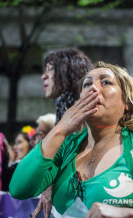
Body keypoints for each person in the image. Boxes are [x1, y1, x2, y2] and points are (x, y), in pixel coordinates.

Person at [10, 61, 133, 218]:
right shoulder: (68, 144)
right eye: (87, 84)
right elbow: (19, 189)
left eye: (106, 82)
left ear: (126, 102)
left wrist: (128, 214)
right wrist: (59, 130)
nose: (93, 88)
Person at [33, 48, 93, 217]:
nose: (43, 76)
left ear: (68, 72)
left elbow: (80, 157)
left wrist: (52, 187)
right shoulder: (64, 105)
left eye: (50, 69)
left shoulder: (85, 109)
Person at [1, 125, 35, 191]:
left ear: (31, 144)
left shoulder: (25, 166)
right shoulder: (16, 164)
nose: (14, 147)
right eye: (15, 143)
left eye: (19, 142)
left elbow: (5, 185)